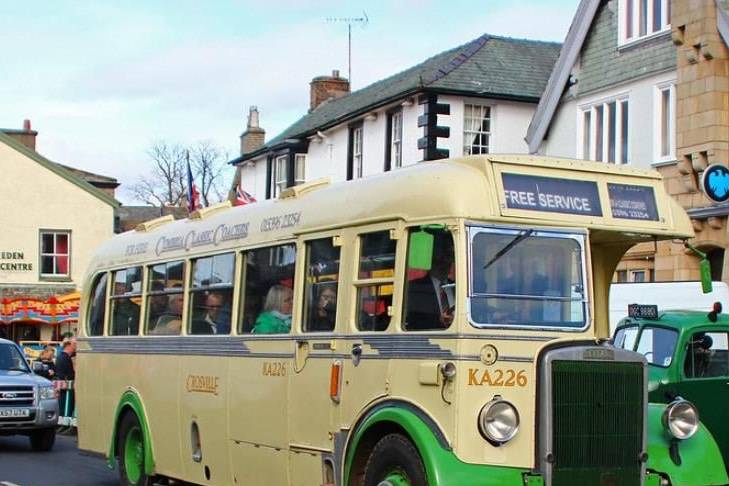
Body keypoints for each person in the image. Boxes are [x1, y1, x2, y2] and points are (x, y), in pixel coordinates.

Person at [405, 234, 455, 330]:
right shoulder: (415, 288)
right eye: (443, 256)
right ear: (432, 259)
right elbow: (412, 321)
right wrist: (440, 321)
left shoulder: (457, 288)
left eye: (450, 257)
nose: (447, 261)